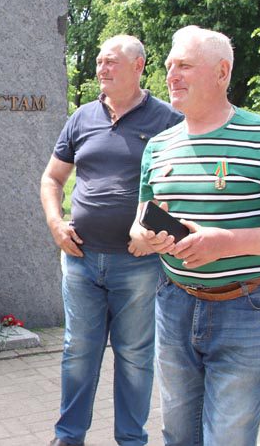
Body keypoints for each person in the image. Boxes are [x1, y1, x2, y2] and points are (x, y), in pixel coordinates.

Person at [131, 25, 260, 446]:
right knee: (178, 434)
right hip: (174, 301)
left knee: (228, 438)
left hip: (249, 307)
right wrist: (150, 239)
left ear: (221, 72)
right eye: (168, 66)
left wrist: (226, 243)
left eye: (184, 65)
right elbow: (139, 223)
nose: (171, 75)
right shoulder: (158, 146)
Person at [41, 35, 183, 446]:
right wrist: (55, 222)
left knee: (136, 358)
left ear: (139, 66)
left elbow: (177, 188)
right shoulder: (82, 118)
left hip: (137, 263)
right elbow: (53, 178)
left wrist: (150, 230)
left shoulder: (167, 120)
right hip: (81, 259)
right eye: (100, 61)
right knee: (77, 354)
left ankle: (130, 440)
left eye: (111, 62)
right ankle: (68, 438)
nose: (101, 69)